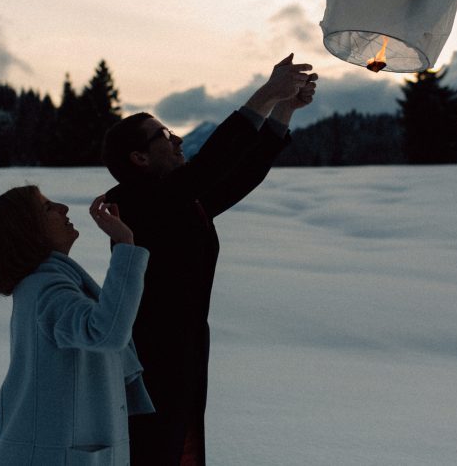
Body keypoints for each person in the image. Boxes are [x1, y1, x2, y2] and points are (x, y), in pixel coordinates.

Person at [100, 54, 317, 465]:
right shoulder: (140, 205)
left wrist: (283, 111)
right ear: (139, 159)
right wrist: (267, 94)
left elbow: (237, 176)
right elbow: (211, 165)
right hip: (151, 370)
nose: (177, 139)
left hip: (183, 361)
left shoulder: (176, 202)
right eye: (163, 135)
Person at [0, 185, 155, 465]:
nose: (63, 208)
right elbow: (106, 331)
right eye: (48, 208)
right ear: (27, 230)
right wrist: (125, 245)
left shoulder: (44, 283)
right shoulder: (47, 288)